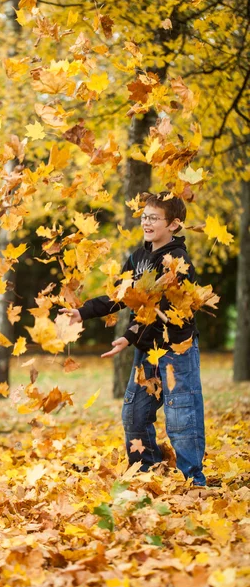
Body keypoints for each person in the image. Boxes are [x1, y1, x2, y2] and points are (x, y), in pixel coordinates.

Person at [61, 192, 207, 487]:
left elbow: (160, 311)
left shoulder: (177, 261)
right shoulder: (138, 258)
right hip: (146, 352)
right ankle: (146, 472)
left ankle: (193, 480)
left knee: (181, 415)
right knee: (134, 414)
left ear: (175, 224)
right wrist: (82, 312)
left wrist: (128, 337)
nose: (147, 222)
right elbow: (120, 295)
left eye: (154, 218)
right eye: (144, 216)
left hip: (175, 350)